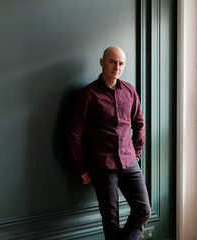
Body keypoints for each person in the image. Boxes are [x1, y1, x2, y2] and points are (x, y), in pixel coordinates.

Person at [68, 46, 151, 240]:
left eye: (121, 63)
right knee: (110, 219)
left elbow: (139, 123)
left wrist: (137, 153)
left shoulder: (129, 90)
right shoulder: (89, 94)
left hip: (129, 162)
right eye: (112, 62)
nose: (117, 67)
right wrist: (82, 169)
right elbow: (74, 134)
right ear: (102, 62)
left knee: (143, 210)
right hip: (103, 166)